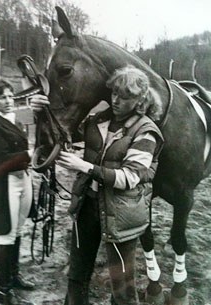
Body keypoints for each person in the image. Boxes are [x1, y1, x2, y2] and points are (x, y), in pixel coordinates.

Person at [56, 65, 164, 305]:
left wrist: (85, 167)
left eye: (124, 96)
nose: (115, 100)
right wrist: (43, 109)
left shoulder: (146, 132)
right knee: (77, 276)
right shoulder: (98, 120)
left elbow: (130, 177)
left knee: (122, 288)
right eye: (114, 93)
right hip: (87, 207)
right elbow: (65, 134)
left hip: (121, 215)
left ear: (139, 100)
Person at [0, 78, 48, 305]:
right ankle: (3, 290)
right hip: (5, 183)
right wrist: (31, 154)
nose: (8, 101)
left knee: (17, 232)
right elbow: (2, 160)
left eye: (10, 96)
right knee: (5, 237)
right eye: (2, 97)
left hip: (23, 180)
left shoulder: (14, 121)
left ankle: (14, 275)